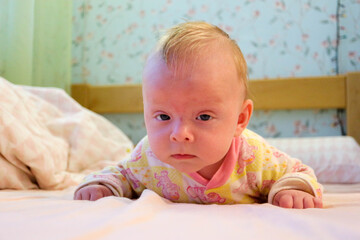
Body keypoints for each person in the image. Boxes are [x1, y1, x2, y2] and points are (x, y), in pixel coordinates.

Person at [74, 21, 323, 209]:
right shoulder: (148, 156)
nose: (179, 134)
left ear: (240, 120)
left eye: (203, 117)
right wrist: (101, 186)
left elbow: (299, 173)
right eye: (163, 116)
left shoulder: (254, 158)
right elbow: (121, 174)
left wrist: (292, 189)